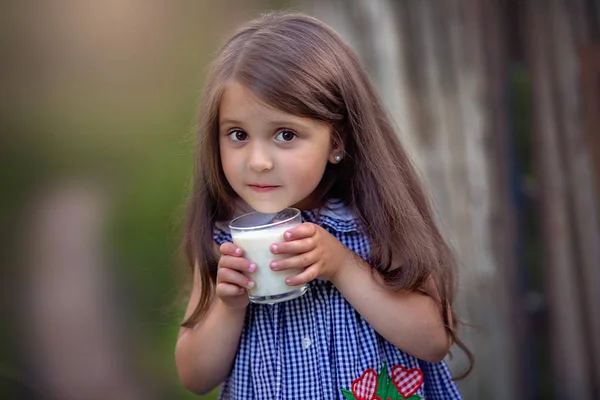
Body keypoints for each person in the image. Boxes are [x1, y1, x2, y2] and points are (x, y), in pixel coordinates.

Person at [175, 11, 472, 400]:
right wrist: (228, 308)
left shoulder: (374, 222)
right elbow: (195, 377)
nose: (258, 161)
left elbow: (434, 340)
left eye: (285, 134)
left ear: (336, 142)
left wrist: (342, 267)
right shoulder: (224, 240)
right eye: (238, 134)